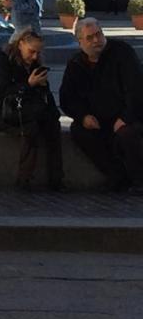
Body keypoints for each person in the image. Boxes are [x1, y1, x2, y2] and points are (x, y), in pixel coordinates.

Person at [59, 17, 143, 194]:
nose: (96, 40)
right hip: (98, 118)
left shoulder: (122, 52)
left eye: (98, 34)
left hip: (128, 115)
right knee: (79, 131)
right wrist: (82, 116)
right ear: (80, 41)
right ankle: (116, 177)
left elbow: (135, 89)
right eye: (90, 38)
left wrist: (125, 117)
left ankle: (139, 180)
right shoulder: (76, 64)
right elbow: (67, 98)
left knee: (128, 134)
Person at [0, 29, 64, 191]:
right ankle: (24, 180)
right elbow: (1, 92)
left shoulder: (34, 65)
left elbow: (45, 94)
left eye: (38, 53)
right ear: (20, 45)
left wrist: (52, 112)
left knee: (53, 127)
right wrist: (28, 85)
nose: (34, 56)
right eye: (31, 51)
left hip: (26, 111)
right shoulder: (2, 63)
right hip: (2, 112)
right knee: (30, 130)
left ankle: (56, 179)